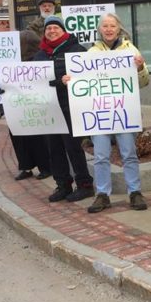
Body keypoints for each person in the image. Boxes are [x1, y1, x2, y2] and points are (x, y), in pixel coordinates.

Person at [62, 13, 150, 214]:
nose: (109, 29)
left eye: (112, 26)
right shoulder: (91, 53)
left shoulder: (130, 50)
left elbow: (144, 82)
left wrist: (140, 68)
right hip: (99, 115)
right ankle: (102, 194)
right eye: (105, 26)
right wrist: (70, 81)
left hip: (123, 113)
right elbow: (83, 83)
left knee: (129, 154)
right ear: (100, 29)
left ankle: (135, 192)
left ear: (119, 29)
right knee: (101, 156)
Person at [34, 15, 95, 203]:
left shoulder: (76, 50)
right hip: (49, 108)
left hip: (70, 107)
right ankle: (63, 185)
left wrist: (63, 82)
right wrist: (9, 89)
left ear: (63, 30)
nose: (52, 31)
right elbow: (32, 82)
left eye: (56, 28)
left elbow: (87, 76)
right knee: (54, 149)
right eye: (48, 28)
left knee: (73, 147)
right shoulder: (40, 55)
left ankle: (84, 185)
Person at [9, 30, 51, 180]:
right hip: (19, 104)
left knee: (35, 138)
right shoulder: (14, 62)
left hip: (34, 105)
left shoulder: (39, 59)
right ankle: (28, 166)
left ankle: (43, 166)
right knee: (21, 137)